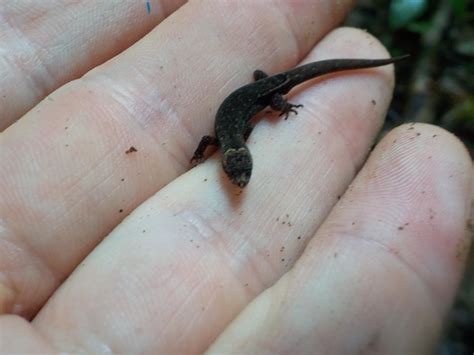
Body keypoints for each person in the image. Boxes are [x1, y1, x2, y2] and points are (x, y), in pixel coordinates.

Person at [0, 1, 471, 353]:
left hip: (269, 85)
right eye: (237, 175)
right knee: (276, 93)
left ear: (235, 156)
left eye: (240, 172)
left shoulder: (232, 137)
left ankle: (333, 75)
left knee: (282, 90)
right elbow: (215, 137)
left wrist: (278, 101)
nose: (240, 180)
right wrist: (263, 108)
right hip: (263, 86)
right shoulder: (228, 139)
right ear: (230, 160)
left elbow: (232, 126)